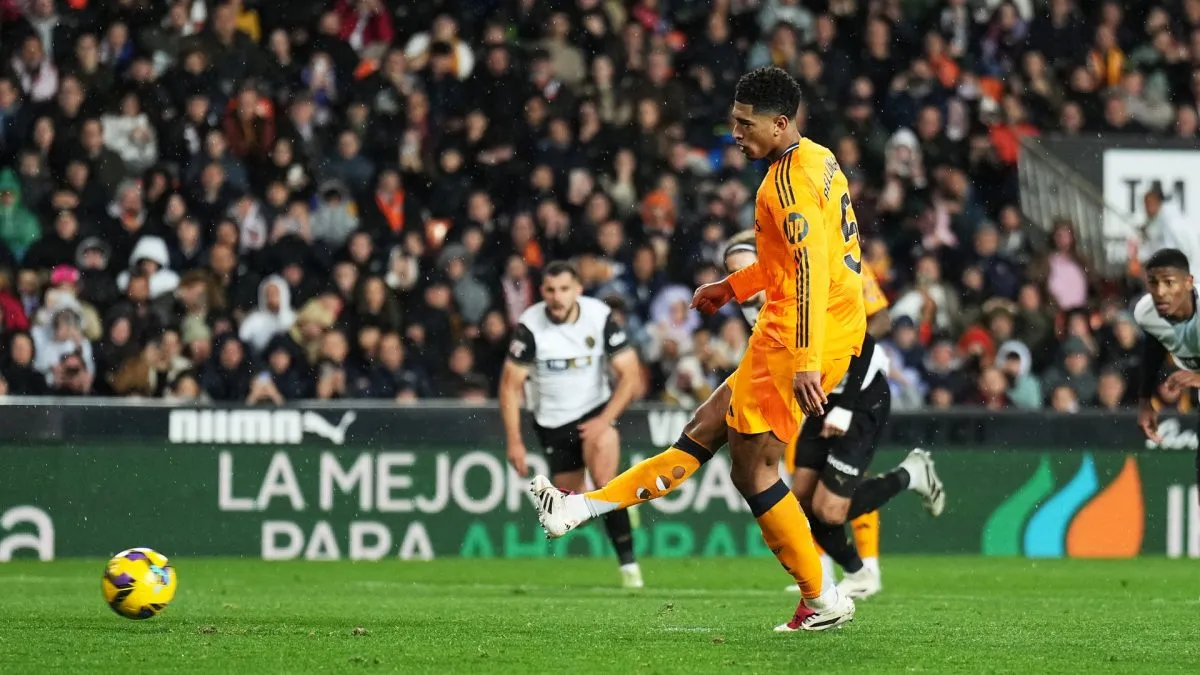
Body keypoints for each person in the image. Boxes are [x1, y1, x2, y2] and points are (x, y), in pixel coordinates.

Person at [533, 66, 868, 631]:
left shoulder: (786, 185)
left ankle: (822, 598)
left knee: (755, 473)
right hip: (822, 324)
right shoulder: (819, 159)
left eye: (745, 124)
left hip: (799, 336)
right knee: (705, 427)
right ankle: (578, 507)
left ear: (779, 123)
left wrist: (807, 360)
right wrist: (731, 288)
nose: (735, 133)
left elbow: (810, 269)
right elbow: (793, 263)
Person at [724, 230, 944, 601]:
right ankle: (857, 574)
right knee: (801, 503)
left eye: (746, 266)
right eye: (733, 270)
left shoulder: (811, 282)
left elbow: (865, 341)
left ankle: (911, 475)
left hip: (860, 394)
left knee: (828, 510)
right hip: (819, 395)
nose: (741, 275)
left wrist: (844, 407)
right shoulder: (756, 301)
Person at [499, 261, 645, 588]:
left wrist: (604, 420)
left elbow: (630, 374)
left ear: (578, 289)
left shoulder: (599, 317)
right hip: (552, 424)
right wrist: (514, 440)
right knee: (568, 517)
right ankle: (612, 502)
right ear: (541, 292)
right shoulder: (530, 326)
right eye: (550, 290)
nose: (557, 297)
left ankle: (630, 570)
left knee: (607, 483)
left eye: (564, 289)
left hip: (595, 413)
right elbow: (510, 386)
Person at [1135, 248, 1200, 498]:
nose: (1160, 292)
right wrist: (1144, 401)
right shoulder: (1146, 312)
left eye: (1169, 283)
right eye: (1153, 283)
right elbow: (1154, 346)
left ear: (1188, 283)